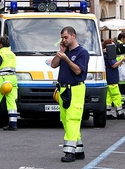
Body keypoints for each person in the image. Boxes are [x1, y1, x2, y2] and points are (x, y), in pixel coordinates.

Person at [51, 26, 89, 163]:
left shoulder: (82, 53)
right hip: (63, 89)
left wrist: (66, 59)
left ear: (73, 36)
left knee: (73, 119)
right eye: (62, 38)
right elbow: (53, 65)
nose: (63, 40)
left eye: (66, 37)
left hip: (75, 89)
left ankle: (69, 151)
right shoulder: (64, 51)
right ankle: (78, 149)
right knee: (65, 119)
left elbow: (78, 71)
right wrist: (60, 53)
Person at [103, 39, 125, 120]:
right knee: (116, 95)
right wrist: (122, 60)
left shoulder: (105, 55)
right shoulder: (110, 55)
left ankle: (107, 113)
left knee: (108, 97)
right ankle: (120, 112)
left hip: (108, 78)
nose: (114, 46)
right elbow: (114, 65)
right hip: (112, 79)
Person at [115, 32, 125, 108]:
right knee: (123, 86)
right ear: (122, 39)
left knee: (124, 86)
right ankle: (122, 102)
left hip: (122, 67)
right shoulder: (120, 45)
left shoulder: (117, 45)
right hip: (121, 67)